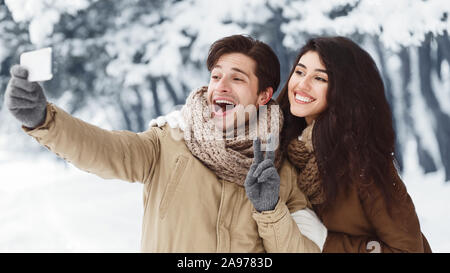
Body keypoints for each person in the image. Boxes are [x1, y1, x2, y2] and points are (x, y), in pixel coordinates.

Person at [4, 35, 325, 252]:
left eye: (237, 78)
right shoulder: (169, 142)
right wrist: (43, 119)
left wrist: (270, 211)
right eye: (216, 76)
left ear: (263, 95)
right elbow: (102, 149)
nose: (221, 87)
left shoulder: (279, 171)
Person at [276, 36, 431, 253]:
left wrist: (327, 243)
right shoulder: (277, 148)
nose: (302, 84)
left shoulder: (365, 164)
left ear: (344, 90)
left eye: (320, 79)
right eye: (299, 72)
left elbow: (407, 250)